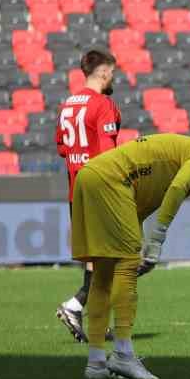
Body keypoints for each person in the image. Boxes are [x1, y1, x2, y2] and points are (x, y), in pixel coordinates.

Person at [72, 134, 190, 379]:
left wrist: (139, 244)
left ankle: (96, 363)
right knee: (125, 268)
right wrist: (155, 242)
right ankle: (123, 354)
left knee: (103, 273)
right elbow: (176, 189)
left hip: (89, 175)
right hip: (112, 180)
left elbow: (141, 205)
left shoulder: (181, 162)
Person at [54, 50, 122, 342]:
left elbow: (62, 148)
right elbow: (108, 154)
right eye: (113, 73)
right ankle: (75, 305)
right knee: (113, 257)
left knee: (96, 259)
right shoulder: (103, 104)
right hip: (98, 189)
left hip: (76, 189)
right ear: (104, 72)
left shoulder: (68, 104)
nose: (114, 79)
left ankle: (95, 321)